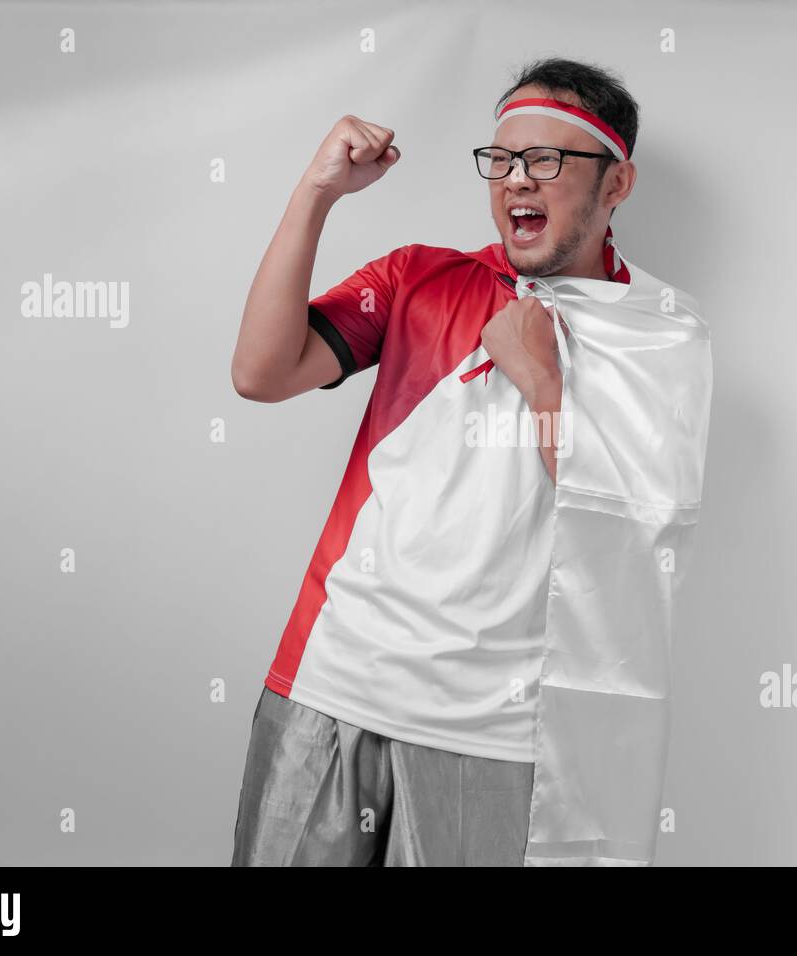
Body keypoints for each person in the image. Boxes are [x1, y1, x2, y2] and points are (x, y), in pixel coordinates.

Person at [229, 58, 646, 866]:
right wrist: (315, 192)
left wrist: (543, 379)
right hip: (327, 684)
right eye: (503, 160)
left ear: (617, 182)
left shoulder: (656, 338)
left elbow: (626, 535)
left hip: (495, 730)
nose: (517, 181)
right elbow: (261, 373)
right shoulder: (419, 278)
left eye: (548, 160)